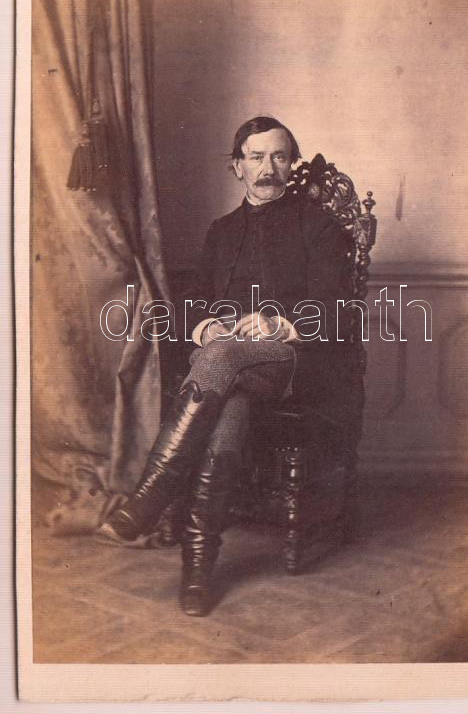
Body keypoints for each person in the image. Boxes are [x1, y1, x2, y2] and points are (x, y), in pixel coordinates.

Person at [97, 116, 359, 616]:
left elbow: (338, 309)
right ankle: (198, 569)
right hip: (232, 371)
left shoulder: (320, 227)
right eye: (256, 157)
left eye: (279, 156)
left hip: (294, 365)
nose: (268, 167)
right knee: (227, 386)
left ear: (293, 164)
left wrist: (279, 324)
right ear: (237, 167)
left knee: (221, 361)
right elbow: (194, 302)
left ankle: (151, 498)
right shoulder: (221, 232)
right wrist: (204, 328)